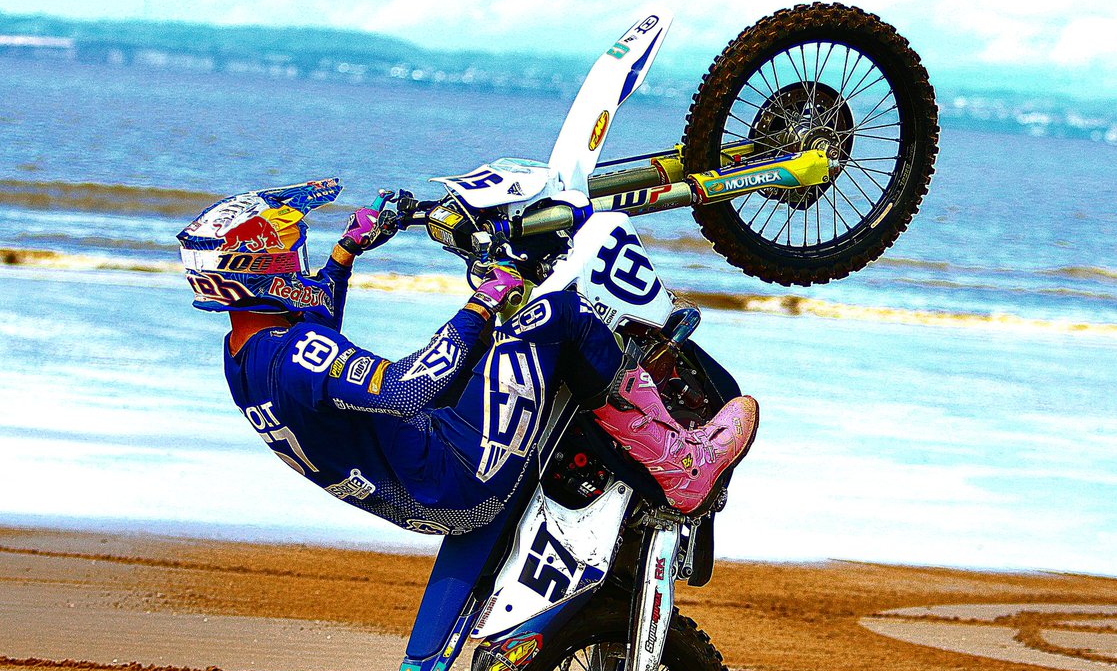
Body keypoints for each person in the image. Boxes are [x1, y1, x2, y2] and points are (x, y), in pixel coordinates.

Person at [177, 178, 759, 537]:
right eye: (290, 251)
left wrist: (348, 249)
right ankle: (681, 463)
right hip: (460, 475)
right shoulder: (298, 355)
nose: (299, 260)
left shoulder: (249, 354)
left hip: (423, 485)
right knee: (555, 312)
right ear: (259, 269)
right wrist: (483, 300)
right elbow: (411, 388)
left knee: (505, 328)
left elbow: (315, 323)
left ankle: (614, 437)